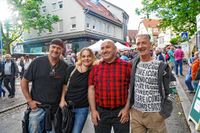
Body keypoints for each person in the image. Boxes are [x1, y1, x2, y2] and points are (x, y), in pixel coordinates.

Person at [20, 38, 68, 132]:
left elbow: (64, 85)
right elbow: (24, 81)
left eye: (58, 48)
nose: (55, 50)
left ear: (61, 50)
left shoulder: (65, 66)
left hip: (55, 109)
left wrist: (62, 100)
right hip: (37, 108)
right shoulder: (37, 62)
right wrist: (30, 101)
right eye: (53, 47)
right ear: (49, 48)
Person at [128, 34, 173, 133]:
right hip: (136, 113)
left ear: (151, 45)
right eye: (138, 43)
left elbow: (172, 89)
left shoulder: (161, 66)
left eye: (144, 43)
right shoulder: (133, 64)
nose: (140, 46)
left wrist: (164, 112)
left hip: (155, 114)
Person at [88, 39, 132, 133]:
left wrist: (127, 109)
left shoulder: (127, 66)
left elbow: (132, 89)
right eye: (102, 48)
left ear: (115, 49)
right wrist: (93, 111)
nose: (104, 50)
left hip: (121, 112)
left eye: (108, 47)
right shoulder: (95, 68)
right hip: (101, 113)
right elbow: (91, 89)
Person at [59, 47, 96, 133]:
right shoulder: (71, 69)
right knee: (65, 130)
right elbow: (64, 86)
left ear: (92, 57)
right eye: (83, 56)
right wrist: (62, 100)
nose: (86, 58)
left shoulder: (93, 71)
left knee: (76, 131)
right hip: (67, 106)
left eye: (88, 56)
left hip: (82, 108)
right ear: (80, 58)